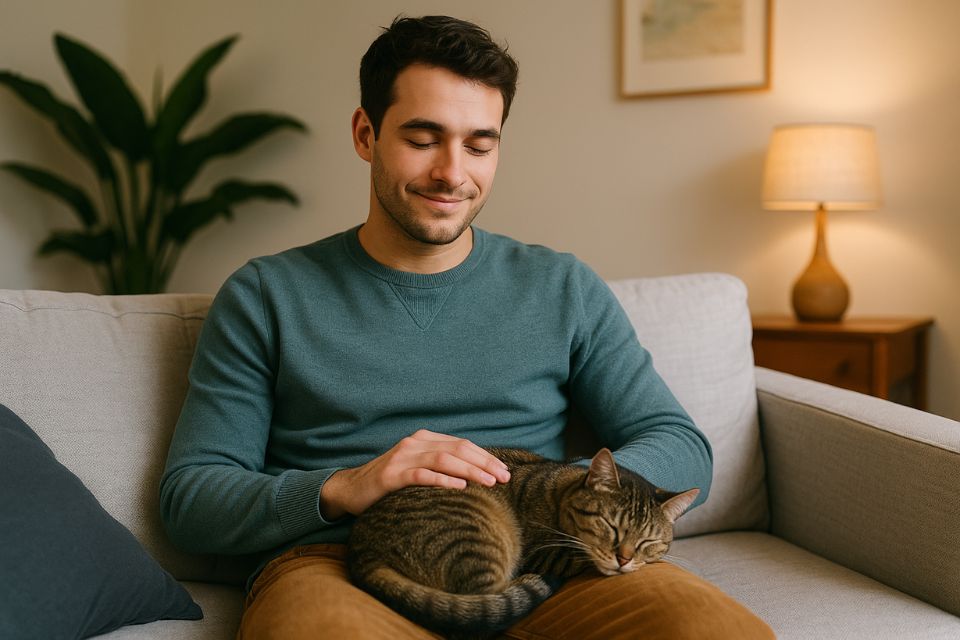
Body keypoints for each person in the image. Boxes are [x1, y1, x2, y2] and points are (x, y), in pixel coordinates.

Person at [160, 14, 774, 639]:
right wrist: (348, 485)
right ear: (365, 133)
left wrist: (567, 496)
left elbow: (679, 443)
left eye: (480, 145)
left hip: (551, 553)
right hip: (341, 563)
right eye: (424, 140)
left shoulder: (561, 286)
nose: (453, 173)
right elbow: (192, 501)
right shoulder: (267, 295)